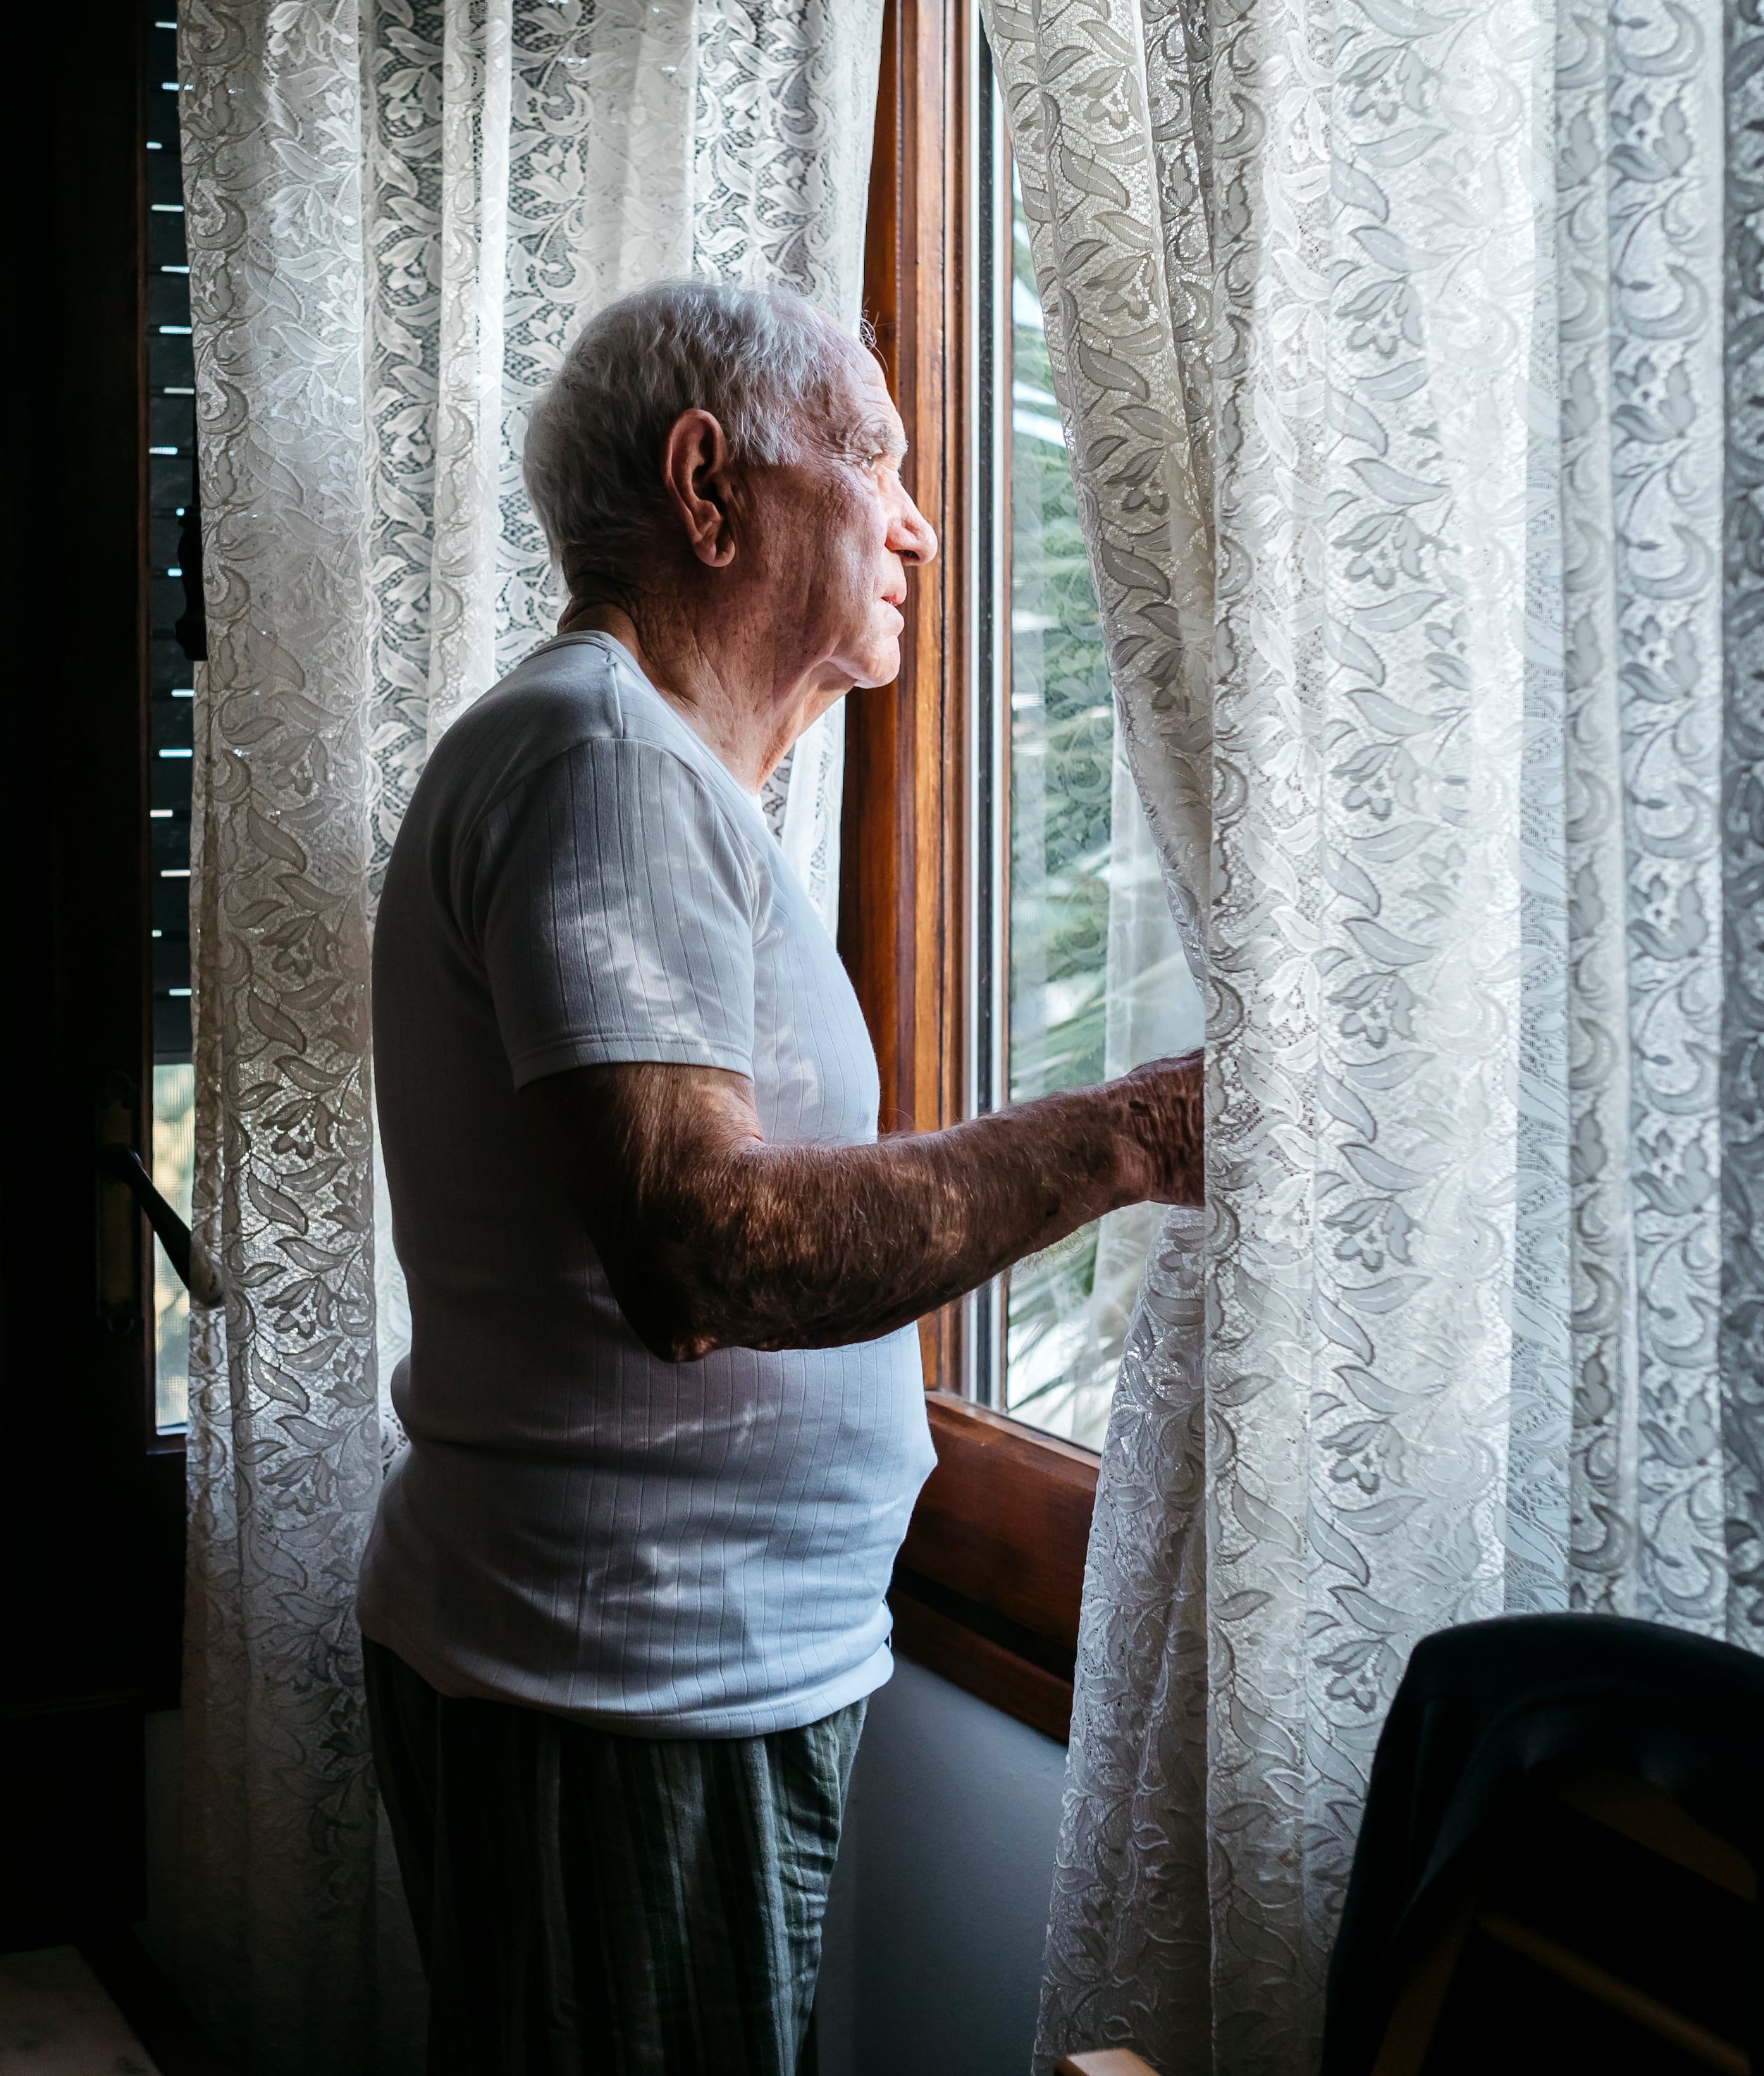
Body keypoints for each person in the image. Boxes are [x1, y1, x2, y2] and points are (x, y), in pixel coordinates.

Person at [360, 278, 1203, 2074]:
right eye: (879, 462)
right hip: (623, 1683)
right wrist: (1129, 1134)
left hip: (633, 1668)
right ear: (708, 482)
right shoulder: (606, 762)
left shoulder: (627, 763)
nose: (919, 521)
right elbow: (706, 1248)